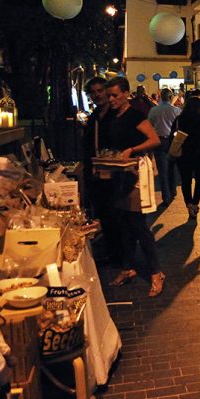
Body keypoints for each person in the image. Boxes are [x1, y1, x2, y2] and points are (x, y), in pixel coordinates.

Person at [104, 77, 165, 297]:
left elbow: (154, 139)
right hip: (119, 175)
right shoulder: (112, 116)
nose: (111, 99)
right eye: (109, 95)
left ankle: (156, 272)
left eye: (115, 95)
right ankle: (128, 268)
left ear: (126, 94)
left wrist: (132, 149)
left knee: (138, 224)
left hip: (136, 174)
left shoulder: (135, 115)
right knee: (124, 223)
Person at [82, 77, 120, 264]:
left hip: (115, 174)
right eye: (93, 92)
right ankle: (111, 253)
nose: (97, 95)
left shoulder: (117, 115)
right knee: (103, 214)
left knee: (116, 215)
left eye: (100, 91)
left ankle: (120, 256)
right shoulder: (95, 116)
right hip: (96, 173)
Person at [174, 97, 200, 218]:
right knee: (199, 180)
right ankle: (195, 203)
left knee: (186, 181)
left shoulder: (180, 119)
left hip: (184, 155)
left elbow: (173, 135)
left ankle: (189, 204)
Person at [148, 88, 181, 204]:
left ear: (160, 97)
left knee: (162, 170)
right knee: (172, 168)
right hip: (173, 141)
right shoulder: (176, 110)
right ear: (171, 97)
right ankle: (173, 191)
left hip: (159, 141)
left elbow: (149, 124)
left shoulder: (154, 110)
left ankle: (166, 196)